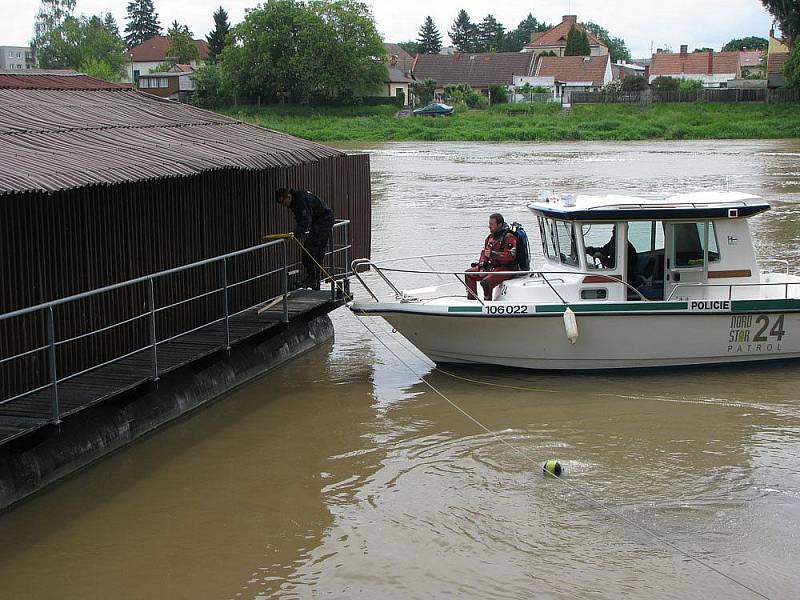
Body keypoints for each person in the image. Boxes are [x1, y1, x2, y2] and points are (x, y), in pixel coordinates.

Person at [276, 187, 334, 290]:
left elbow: (305, 219)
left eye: (282, 201)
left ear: (288, 197)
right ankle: (315, 282)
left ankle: (312, 280)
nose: (283, 205)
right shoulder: (295, 201)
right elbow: (301, 219)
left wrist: (296, 232)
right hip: (320, 220)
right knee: (315, 252)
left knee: (310, 249)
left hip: (323, 220)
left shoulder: (300, 200)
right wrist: (298, 231)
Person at [465, 213, 519, 301]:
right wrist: (482, 265)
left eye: (492, 224)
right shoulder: (490, 238)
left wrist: (494, 255)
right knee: (469, 274)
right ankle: (472, 300)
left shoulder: (509, 237)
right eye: (489, 224)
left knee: (486, 282)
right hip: (491, 267)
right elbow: (484, 253)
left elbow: (511, 256)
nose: (489, 227)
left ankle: (487, 304)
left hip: (506, 268)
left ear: (499, 225)